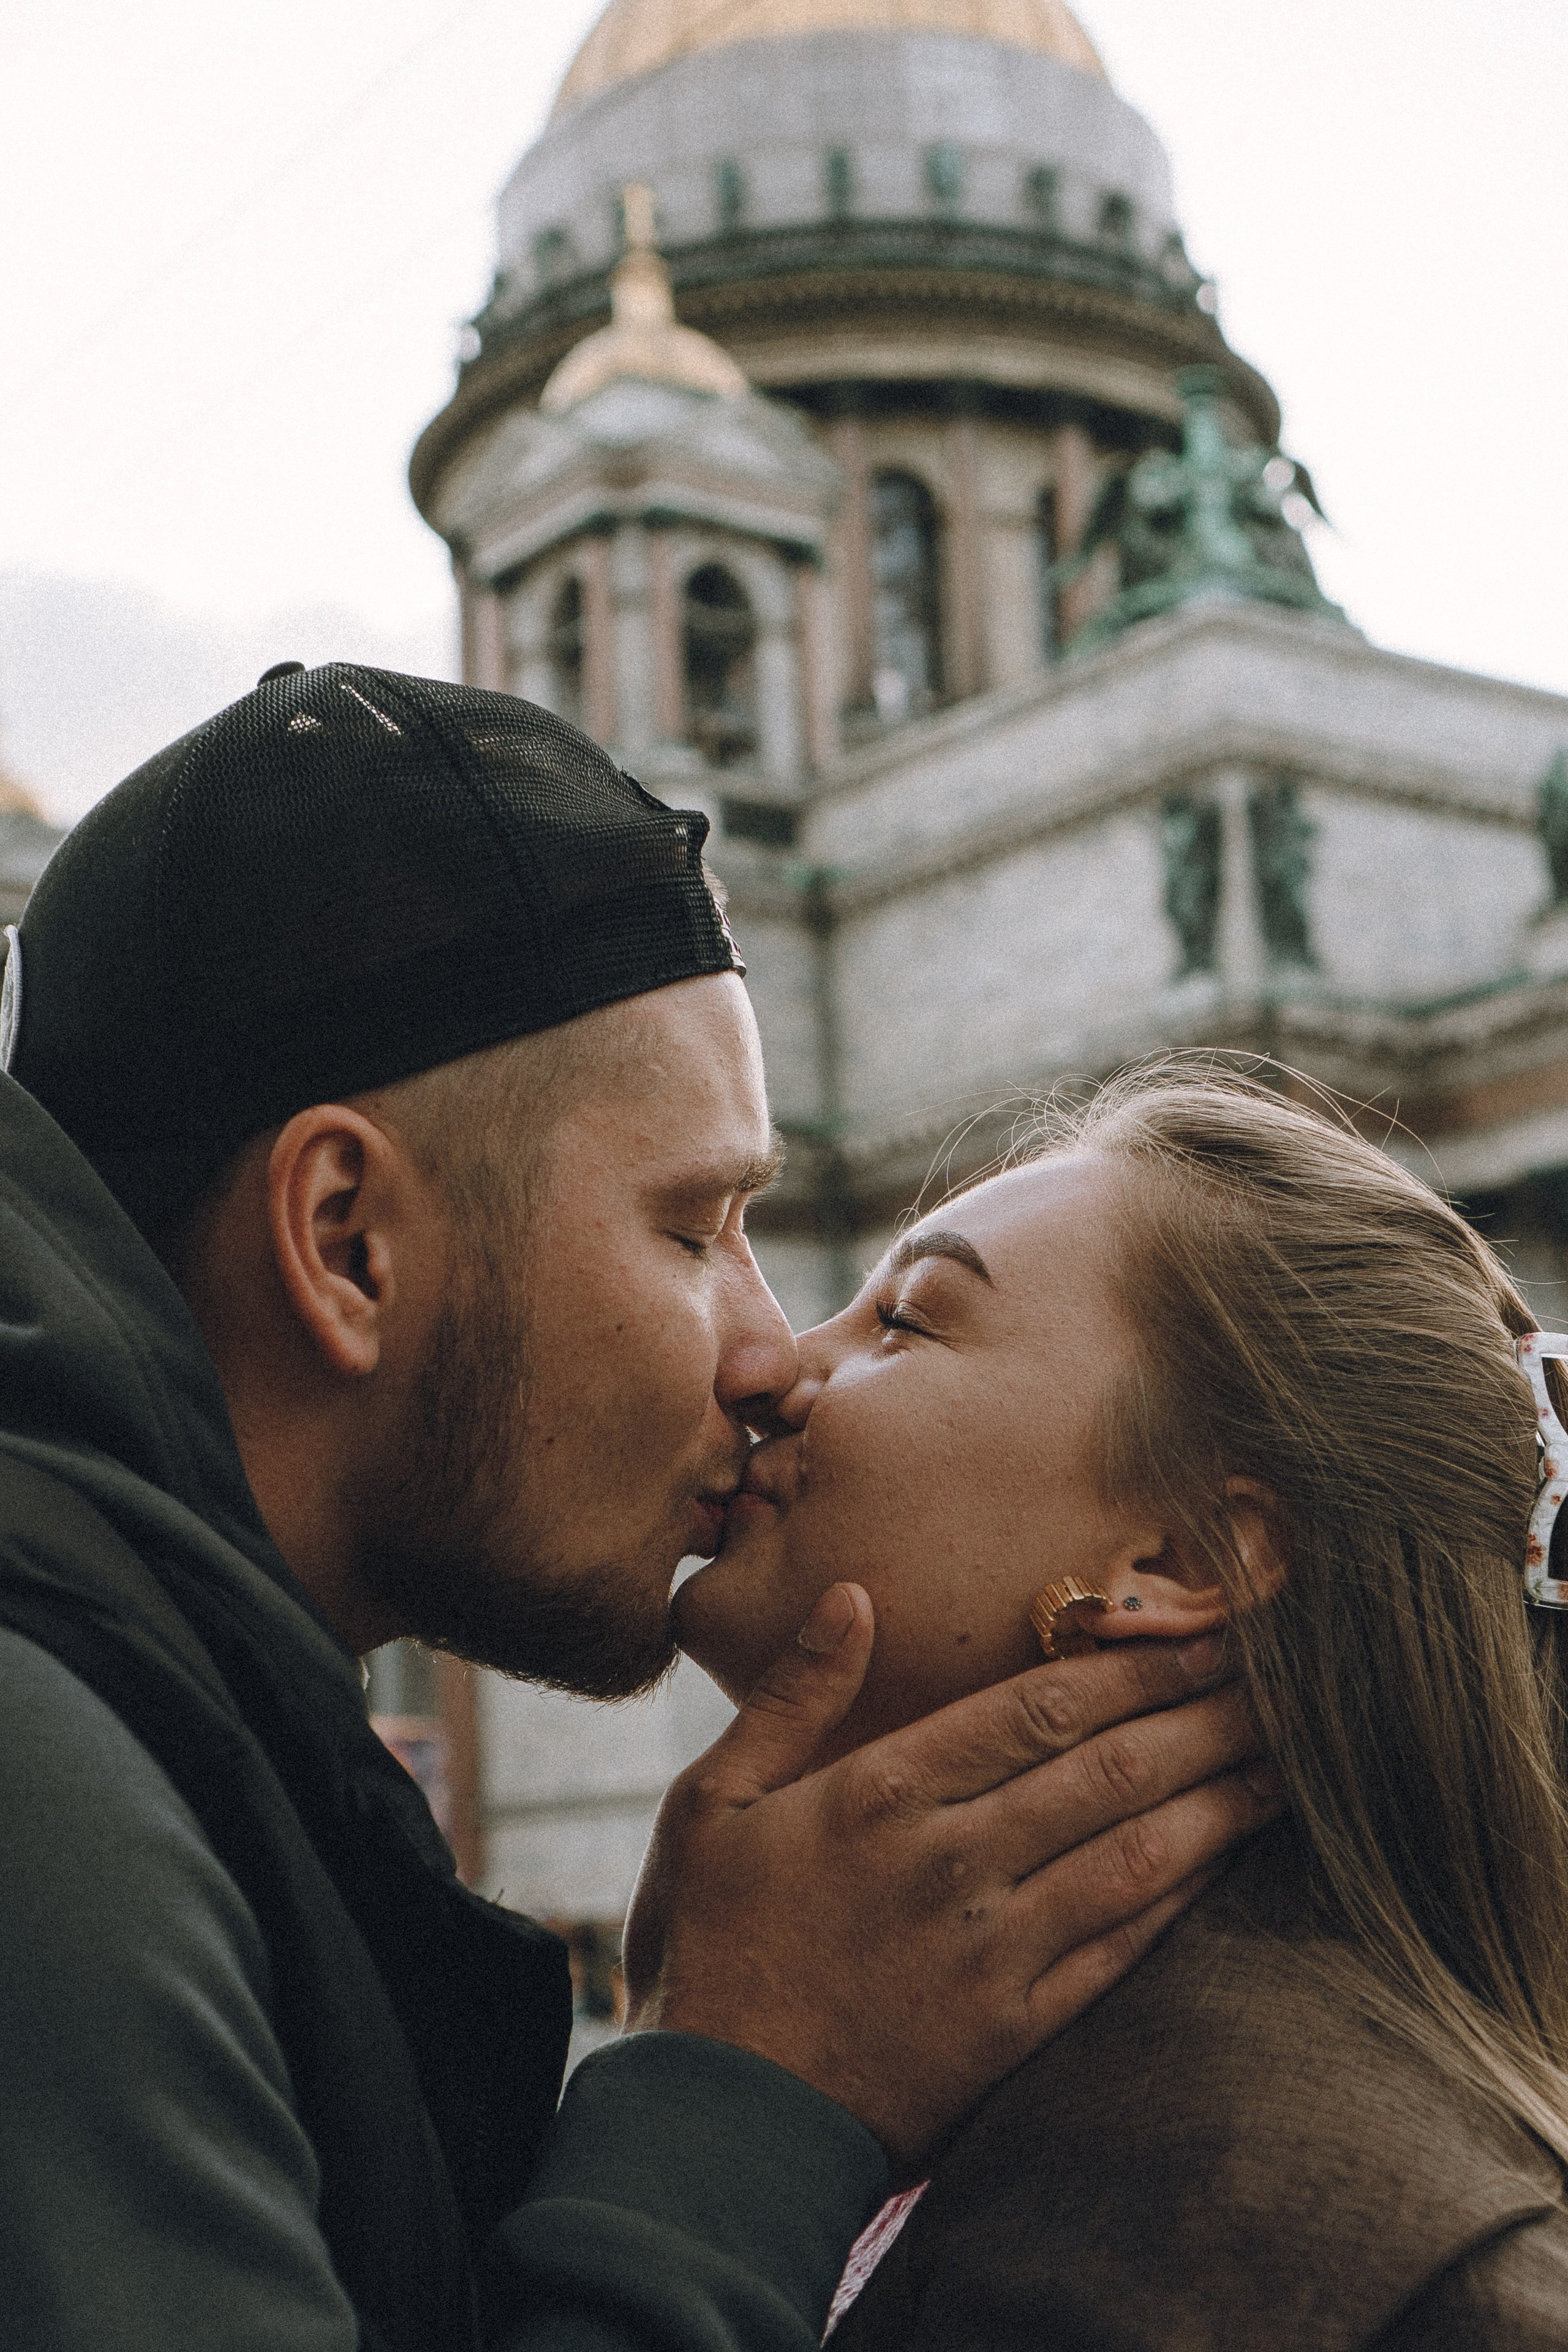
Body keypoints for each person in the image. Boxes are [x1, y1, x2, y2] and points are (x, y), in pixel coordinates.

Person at [0, 666, 1275, 2352]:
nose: (770, 1353)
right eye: (693, 1228)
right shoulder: (46, 1783)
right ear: (347, 1242)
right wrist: (747, 2091)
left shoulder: (163, 1713)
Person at [676, 1065, 1568, 2350]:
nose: (769, 1362)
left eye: (906, 1322)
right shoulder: (1008, 2113)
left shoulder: (1375, 2280)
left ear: (1186, 1562)